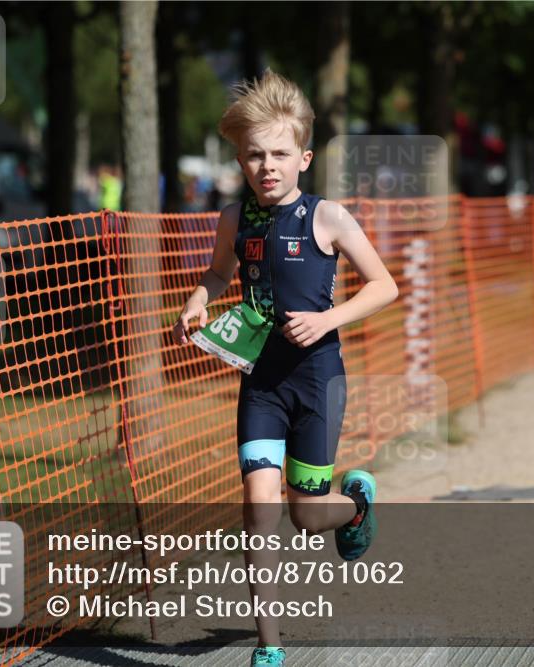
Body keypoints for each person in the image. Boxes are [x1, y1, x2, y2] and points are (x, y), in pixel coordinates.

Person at [172, 69, 399, 667]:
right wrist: (200, 297)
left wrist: (327, 321)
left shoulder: (328, 218)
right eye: (253, 155)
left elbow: (385, 286)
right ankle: (270, 649)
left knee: (306, 515)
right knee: (259, 507)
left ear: (303, 157)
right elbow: (221, 273)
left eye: (278, 154)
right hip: (262, 384)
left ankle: (355, 505)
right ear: (240, 161)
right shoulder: (232, 219)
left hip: (318, 379)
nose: (266, 166)